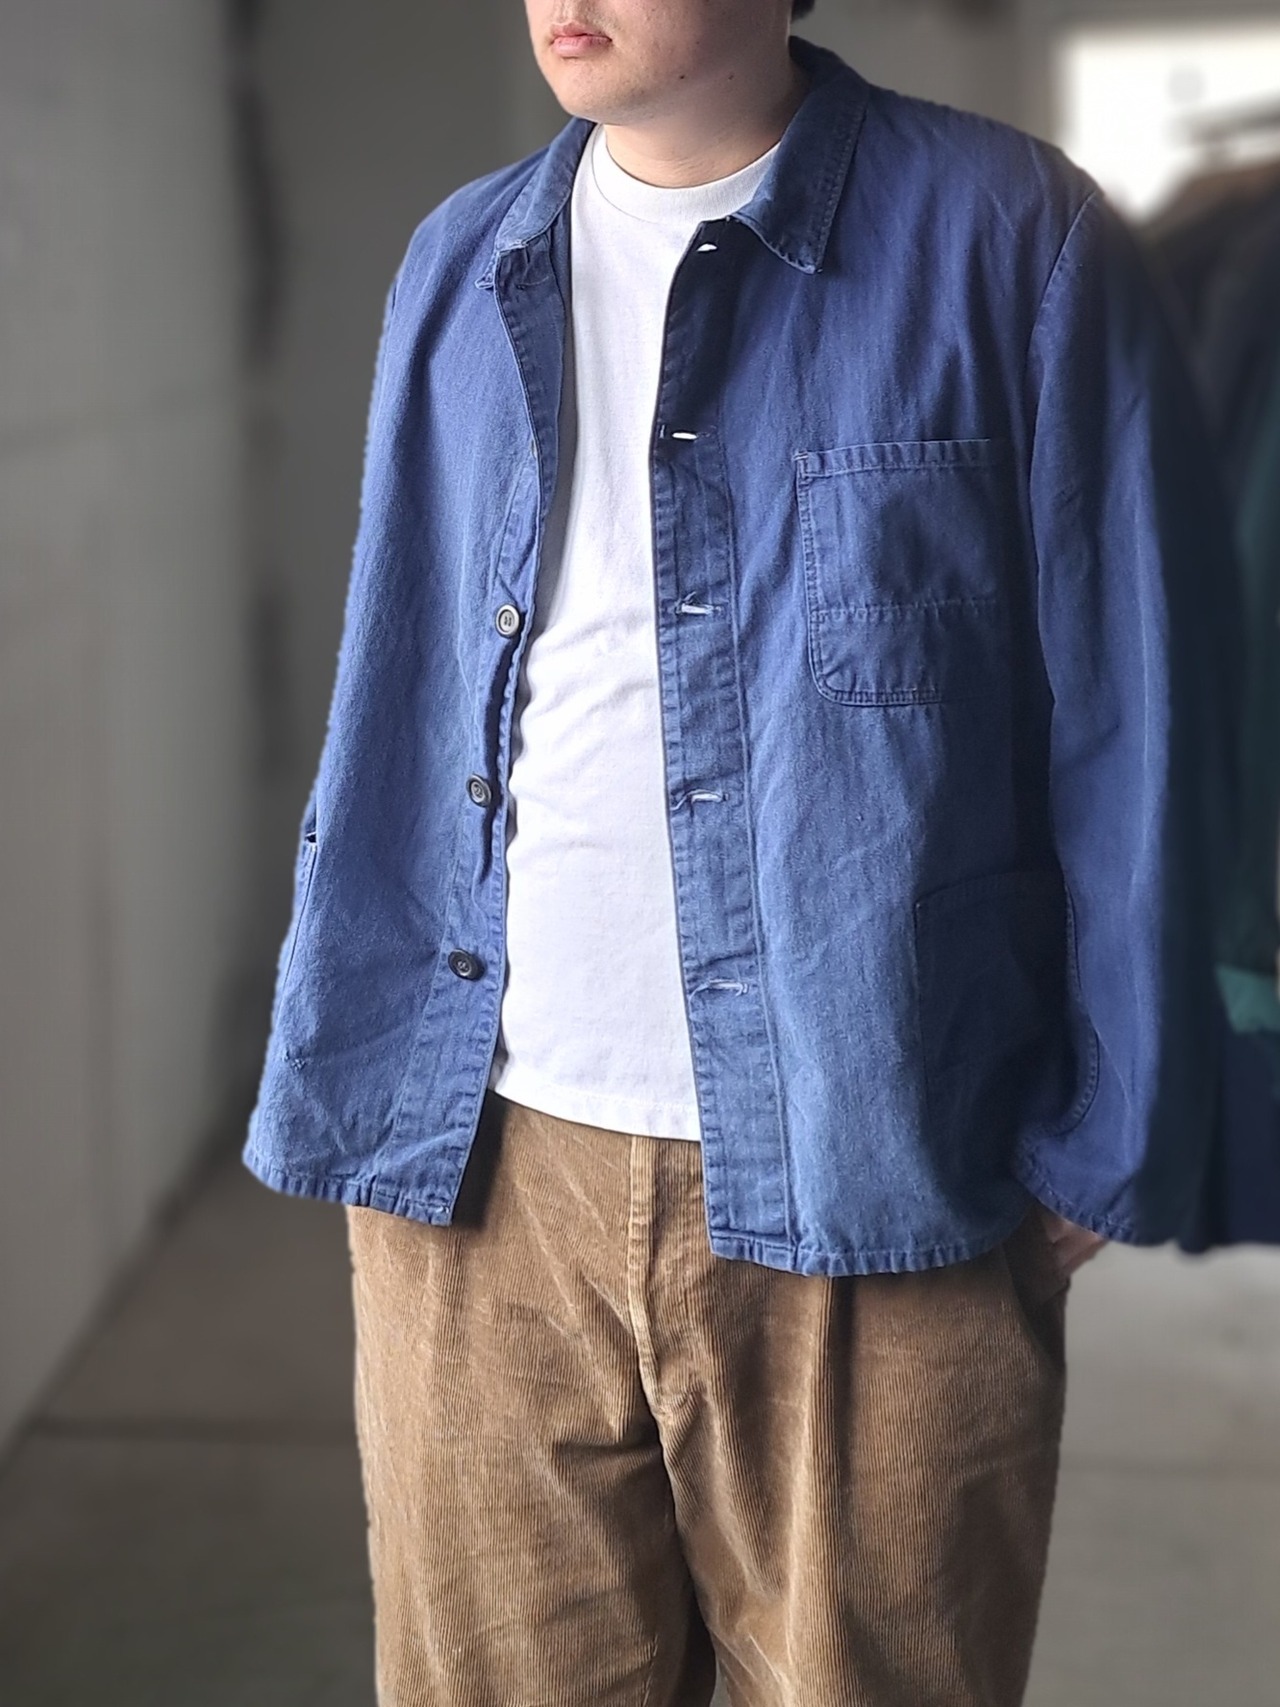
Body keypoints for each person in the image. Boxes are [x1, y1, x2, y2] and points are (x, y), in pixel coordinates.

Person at [242, 3, 1242, 1703]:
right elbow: (403, 671)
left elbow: (1137, 698)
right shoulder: (465, 257)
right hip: (484, 1171)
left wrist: (1113, 1121)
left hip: (884, 1156)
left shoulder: (1012, 236)